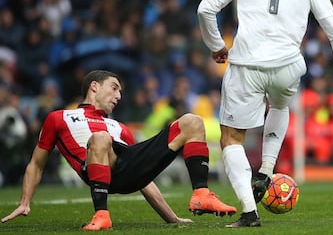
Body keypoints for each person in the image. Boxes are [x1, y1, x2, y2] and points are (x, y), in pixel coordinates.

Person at [197, 0, 333, 227]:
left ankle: (248, 211)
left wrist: (217, 46)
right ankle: (267, 171)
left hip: (247, 65)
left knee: (231, 138)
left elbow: (206, 9)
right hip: (288, 65)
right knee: (280, 106)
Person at [1, 70, 236, 231]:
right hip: (97, 169)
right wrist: (24, 201)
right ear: (94, 86)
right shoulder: (58, 117)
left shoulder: (120, 128)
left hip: (125, 168)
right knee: (101, 138)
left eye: (120, 92)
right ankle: (102, 215)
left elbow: (143, 177)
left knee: (192, 121)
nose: (119, 96)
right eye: (114, 88)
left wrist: (171, 218)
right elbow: (36, 163)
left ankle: (201, 194)